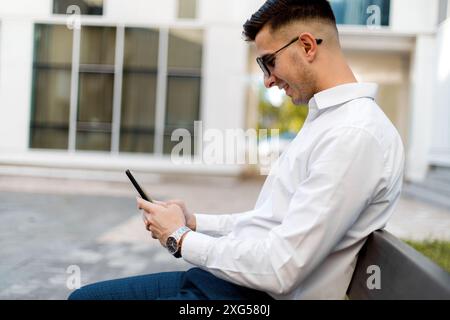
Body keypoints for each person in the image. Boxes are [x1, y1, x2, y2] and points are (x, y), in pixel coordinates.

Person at [69, 0, 405, 300]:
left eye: (268, 63)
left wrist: (180, 238)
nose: (268, 80)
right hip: (227, 284)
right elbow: (268, 222)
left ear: (306, 46)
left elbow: (280, 269)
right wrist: (195, 223)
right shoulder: (330, 121)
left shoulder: (353, 133)